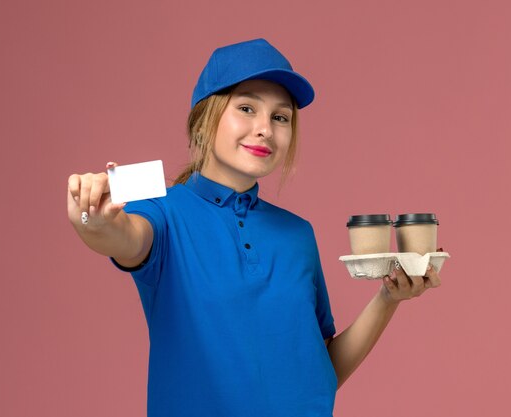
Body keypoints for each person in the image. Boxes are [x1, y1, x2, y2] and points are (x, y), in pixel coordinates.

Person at [67, 38, 441, 417]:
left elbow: (318, 371)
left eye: (281, 117)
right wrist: (93, 219)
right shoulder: (162, 213)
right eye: (246, 108)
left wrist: (388, 298)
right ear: (203, 119)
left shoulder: (298, 234)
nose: (264, 128)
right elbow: (121, 237)